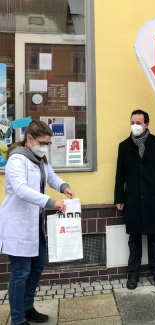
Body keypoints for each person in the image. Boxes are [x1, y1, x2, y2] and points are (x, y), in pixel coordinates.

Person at [0, 120, 75, 325]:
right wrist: (51, 202)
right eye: (43, 143)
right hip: (18, 224)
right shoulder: (17, 160)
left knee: (38, 264)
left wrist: (64, 187)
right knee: (21, 272)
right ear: (30, 139)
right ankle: (17, 319)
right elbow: (21, 190)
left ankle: (27, 307)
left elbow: (51, 177)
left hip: (35, 225)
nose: (45, 147)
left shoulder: (39, 158)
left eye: (48, 144)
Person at [114, 110, 155, 290]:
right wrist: (119, 197)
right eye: (132, 122)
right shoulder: (124, 146)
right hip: (132, 199)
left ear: (146, 124)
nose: (135, 126)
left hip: (154, 198)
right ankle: (133, 274)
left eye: (138, 122)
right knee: (134, 239)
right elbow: (120, 175)